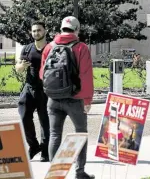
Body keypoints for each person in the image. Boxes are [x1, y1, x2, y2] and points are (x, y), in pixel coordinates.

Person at [39, 16, 94, 179]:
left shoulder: (49, 47)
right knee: (80, 133)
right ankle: (80, 172)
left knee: (55, 134)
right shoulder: (81, 47)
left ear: (61, 28)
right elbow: (86, 76)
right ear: (77, 29)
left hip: (53, 99)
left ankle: (55, 174)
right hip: (75, 99)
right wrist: (87, 100)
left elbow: (43, 74)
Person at [15, 21, 50, 162]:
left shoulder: (51, 48)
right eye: (34, 31)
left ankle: (46, 151)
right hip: (29, 88)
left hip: (46, 90)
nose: (36, 33)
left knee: (45, 121)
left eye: (39, 30)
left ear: (45, 31)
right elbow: (18, 67)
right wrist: (21, 66)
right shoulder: (27, 49)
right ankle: (34, 145)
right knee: (23, 117)